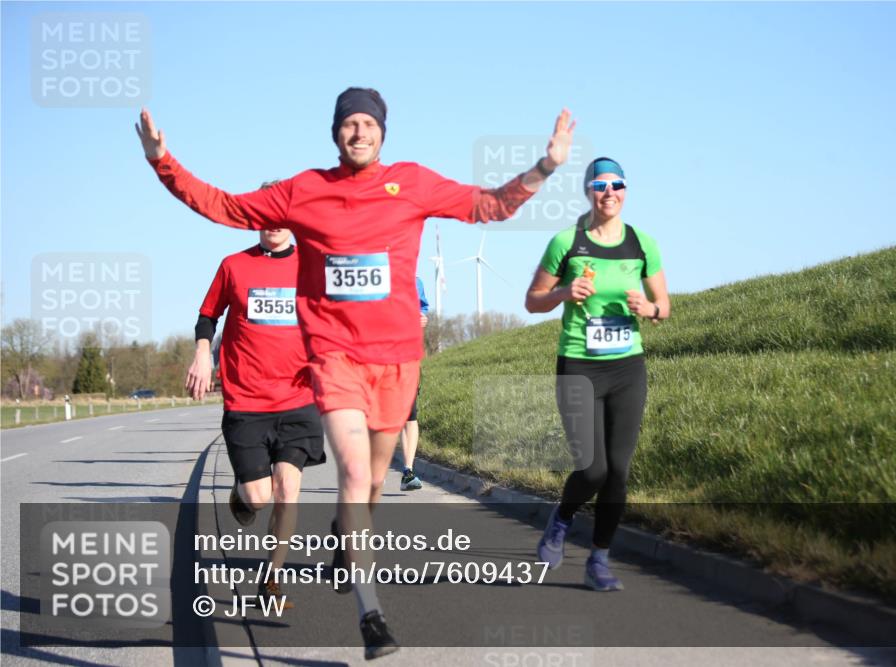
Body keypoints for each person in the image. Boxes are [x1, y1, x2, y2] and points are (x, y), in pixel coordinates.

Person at [138, 88, 574, 659]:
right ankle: (371, 615)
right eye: (349, 124)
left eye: (369, 123)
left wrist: (545, 167)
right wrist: (161, 160)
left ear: (383, 133)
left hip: (396, 362)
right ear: (335, 133)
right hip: (334, 358)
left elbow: (488, 206)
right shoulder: (305, 191)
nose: (359, 132)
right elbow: (222, 205)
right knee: (349, 475)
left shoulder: (412, 183)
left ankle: (347, 540)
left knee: (370, 488)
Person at [524, 156, 670, 592]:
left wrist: (650, 309)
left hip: (628, 366)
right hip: (579, 365)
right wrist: (565, 292)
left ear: (626, 191)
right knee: (591, 470)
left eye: (617, 185)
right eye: (601, 185)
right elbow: (533, 300)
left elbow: (664, 305)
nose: (610, 193)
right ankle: (561, 519)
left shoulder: (642, 243)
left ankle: (600, 560)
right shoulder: (566, 242)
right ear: (588, 191)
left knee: (618, 472)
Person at [185, 195, 325, 609]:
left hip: (299, 399)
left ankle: (272, 581)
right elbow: (208, 315)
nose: (274, 224)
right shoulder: (234, 265)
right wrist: (200, 354)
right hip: (246, 401)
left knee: (287, 489)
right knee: (259, 496)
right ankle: (242, 494)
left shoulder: (312, 268)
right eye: (266, 217)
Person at [399, 277, 430, 491]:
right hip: (378, 356)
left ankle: (408, 472)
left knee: (409, 416)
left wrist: (423, 318)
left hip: (408, 357)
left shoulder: (416, 281)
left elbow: (423, 309)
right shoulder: (376, 274)